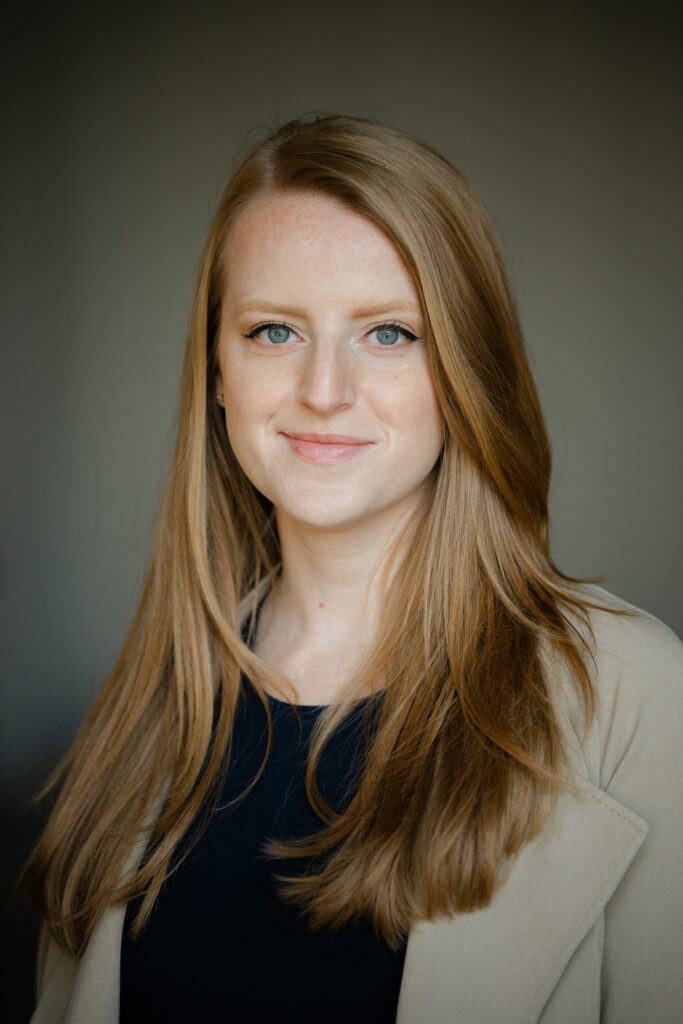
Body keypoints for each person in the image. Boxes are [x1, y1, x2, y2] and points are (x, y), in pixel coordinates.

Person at [24, 114, 683, 1024]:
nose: (324, 391)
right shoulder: (146, 710)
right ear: (217, 371)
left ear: (463, 367)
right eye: (273, 332)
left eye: (387, 334)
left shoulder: (634, 693)